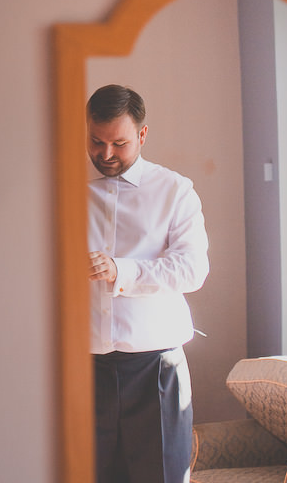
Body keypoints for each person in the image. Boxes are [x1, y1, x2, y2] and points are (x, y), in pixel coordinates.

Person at [86, 84, 209, 483]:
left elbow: (192, 269)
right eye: (96, 141)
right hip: (85, 367)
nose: (105, 155)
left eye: (118, 143)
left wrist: (122, 271)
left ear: (141, 135)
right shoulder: (68, 196)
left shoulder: (176, 191)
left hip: (155, 368)